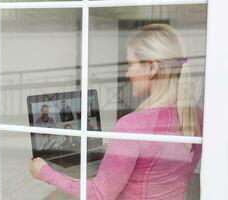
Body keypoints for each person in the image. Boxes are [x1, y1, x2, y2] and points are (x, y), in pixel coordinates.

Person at [29, 24, 203, 200]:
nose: (127, 74)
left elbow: (98, 195)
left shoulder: (132, 126)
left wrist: (44, 172)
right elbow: (154, 156)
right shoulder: (197, 116)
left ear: (152, 67)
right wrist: (113, 147)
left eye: (130, 64)